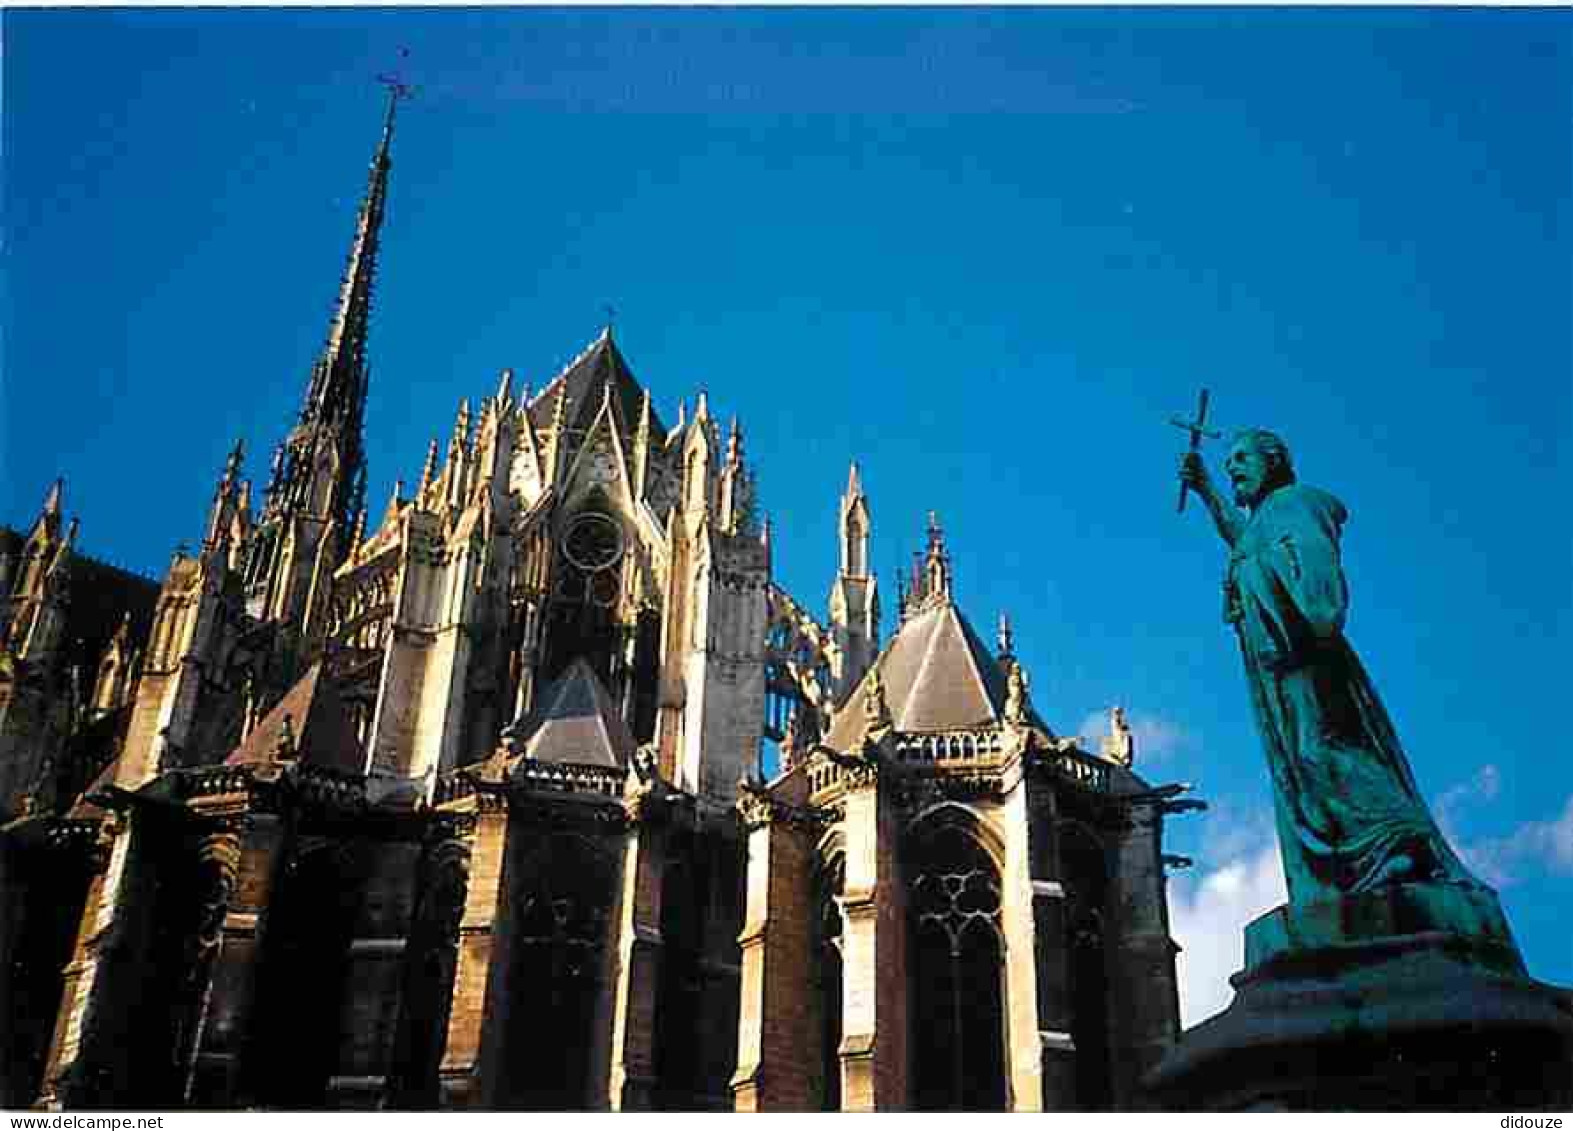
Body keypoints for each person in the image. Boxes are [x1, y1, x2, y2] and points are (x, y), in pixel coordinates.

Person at [1179, 430, 1472, 903]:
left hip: (1301, 652)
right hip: (1278, 661)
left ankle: (1402, 841)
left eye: (1241, 458)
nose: (1233, 467)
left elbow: (1315, 588)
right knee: (1302, 760)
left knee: (1322, 750)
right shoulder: (1267, 518)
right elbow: (1247, 540)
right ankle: (1368, 860)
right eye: (1228, 462)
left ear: (1273, 462)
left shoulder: (1296, 503)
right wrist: (1207, 490)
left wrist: (1300, 617)